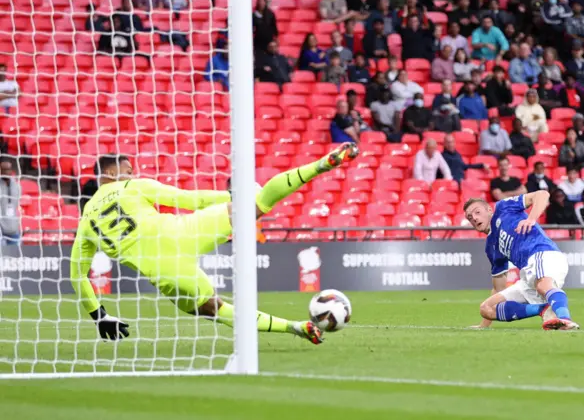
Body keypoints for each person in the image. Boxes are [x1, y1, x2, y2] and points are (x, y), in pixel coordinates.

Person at [70, 145, 361, 343]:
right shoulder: (133, 186)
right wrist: (234, 197)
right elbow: (188, 199)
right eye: (127, 169)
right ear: (109, 174)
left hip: (166, 272)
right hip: (183, 232)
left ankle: (295, 328)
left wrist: (100, 316)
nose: (132, 173)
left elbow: (77, 275)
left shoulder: (85, 222)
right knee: (258, 204)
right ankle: (321, 165)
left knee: (214, 309)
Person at [463, 191, 580, 330]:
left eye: (477, 212)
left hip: (543, 254)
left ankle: (565, 319)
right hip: (528, 274)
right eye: (470, 217)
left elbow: (542, 194)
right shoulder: (491, 246)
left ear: (489, 209)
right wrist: (484, 325)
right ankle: (543, 310)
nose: (474, 218)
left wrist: (531, 219)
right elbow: (498, 286)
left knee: (543, 286)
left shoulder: (503, 207)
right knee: (487, 308)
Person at [0, 161, 20, 245]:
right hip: (0, 231)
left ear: (11, 170)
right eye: (3, 170)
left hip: (13, 229)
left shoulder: (17, 186)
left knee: (15, 256)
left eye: (7, 170)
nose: (6, 172)